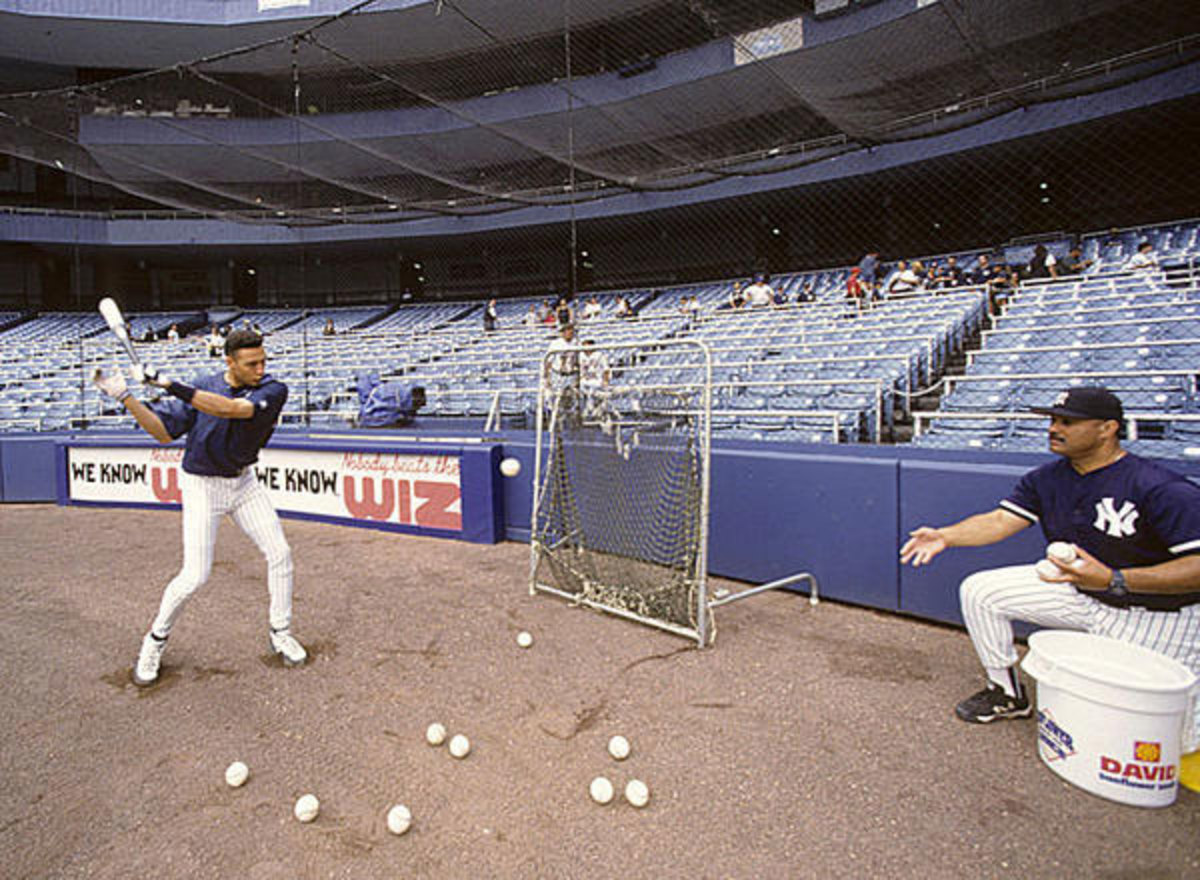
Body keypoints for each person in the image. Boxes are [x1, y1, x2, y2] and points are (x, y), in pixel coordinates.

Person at [899, 386, 1200, 769]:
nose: (1054, 428)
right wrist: (946, 536)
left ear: (1107, 428)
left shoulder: (1159, 487)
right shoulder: (1048, 478)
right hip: (1082, 592)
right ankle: (1006, 693)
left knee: (1175, 743)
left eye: (1068, 422)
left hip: (1157, 614)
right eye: (1053, 420)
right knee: (981, 591)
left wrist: (1116, 578)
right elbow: (1001, 520)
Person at [91, 329, 306, 687]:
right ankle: (154, 642)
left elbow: (233, 409)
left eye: (263, 360)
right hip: (202, 486)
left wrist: (167, 384)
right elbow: (162, 433)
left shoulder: (273, 389)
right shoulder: (203, 384)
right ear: (229, 361)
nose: (260, 368)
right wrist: (126, 396)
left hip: (243, 483)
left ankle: (280, 631)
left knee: (280, 553)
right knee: (195, 575)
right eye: (251, 363)